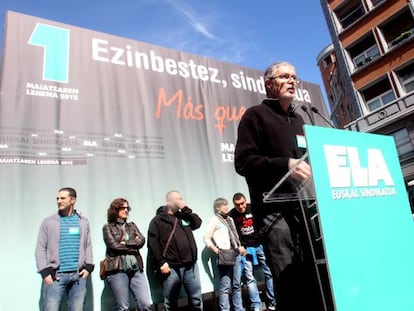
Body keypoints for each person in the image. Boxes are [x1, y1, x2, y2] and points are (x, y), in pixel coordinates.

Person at [234, 61, 323, 310]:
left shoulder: (299, 119)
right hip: (275, 213)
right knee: (289, 281)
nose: (293, 81)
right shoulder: (255, 115)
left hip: (304, 210)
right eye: (285, 76)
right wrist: (286, 164)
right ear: (269, 83)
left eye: (295, 77)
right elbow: (244, 162)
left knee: (314, 276)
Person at [35, 187, 94, 311]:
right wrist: (45, 273)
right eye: (57, 198)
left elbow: (87, 244)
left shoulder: (83, 221)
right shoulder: (49, 222)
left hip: (78, 277)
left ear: (73, 200)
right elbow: (40, 248)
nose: (59, 201)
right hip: (56, 276)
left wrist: (88, 267)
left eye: (63, 198)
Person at [147, 190, 203, 311]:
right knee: (170, 304)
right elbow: (153, 244)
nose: (179, 201)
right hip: (172, 268)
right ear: (168, 202)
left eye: (180, 198)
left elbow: (197, 223)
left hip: (190, 266)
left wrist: (186, 209)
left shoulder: (184, 216)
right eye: (176, 199)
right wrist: (161, 262)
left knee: (196, 300)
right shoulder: (157, 221)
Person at [102, 198, 152, 311]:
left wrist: (126, 243)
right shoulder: (108, 227)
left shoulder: (132, 226)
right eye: (122, 208)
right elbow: (114, 247)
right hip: (117, 269)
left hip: (136, 267)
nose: (126, 210)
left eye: (127, 208)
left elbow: (142, 241)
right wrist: (133, 245)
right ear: (115, 210)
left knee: (146, 305)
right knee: (123, 307)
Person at [230, 192, 277, 311]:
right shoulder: (232, 214)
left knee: (269, 273)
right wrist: (238, 246)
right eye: (237, 205)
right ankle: (256, 305)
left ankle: (272, 301)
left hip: (260, 245)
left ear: (245, 201)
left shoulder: (253, 208)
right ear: (234, 205)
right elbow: (231, 233)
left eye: (242, 203)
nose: (241, 207)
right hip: (245, 249)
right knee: (250, 278)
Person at [203, 197, 246, 311]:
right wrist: (217, 251)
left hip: (236, 254)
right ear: (218, 208)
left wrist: (239, 246)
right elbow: (206, 238)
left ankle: (238, 308)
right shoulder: (214, 220)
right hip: (225, 255)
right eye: (224, 205)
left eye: (227, 204)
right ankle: (225, 309)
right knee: (225, 286)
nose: (227, 207)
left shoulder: (230, 219)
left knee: (237, 285)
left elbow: (234, 235)